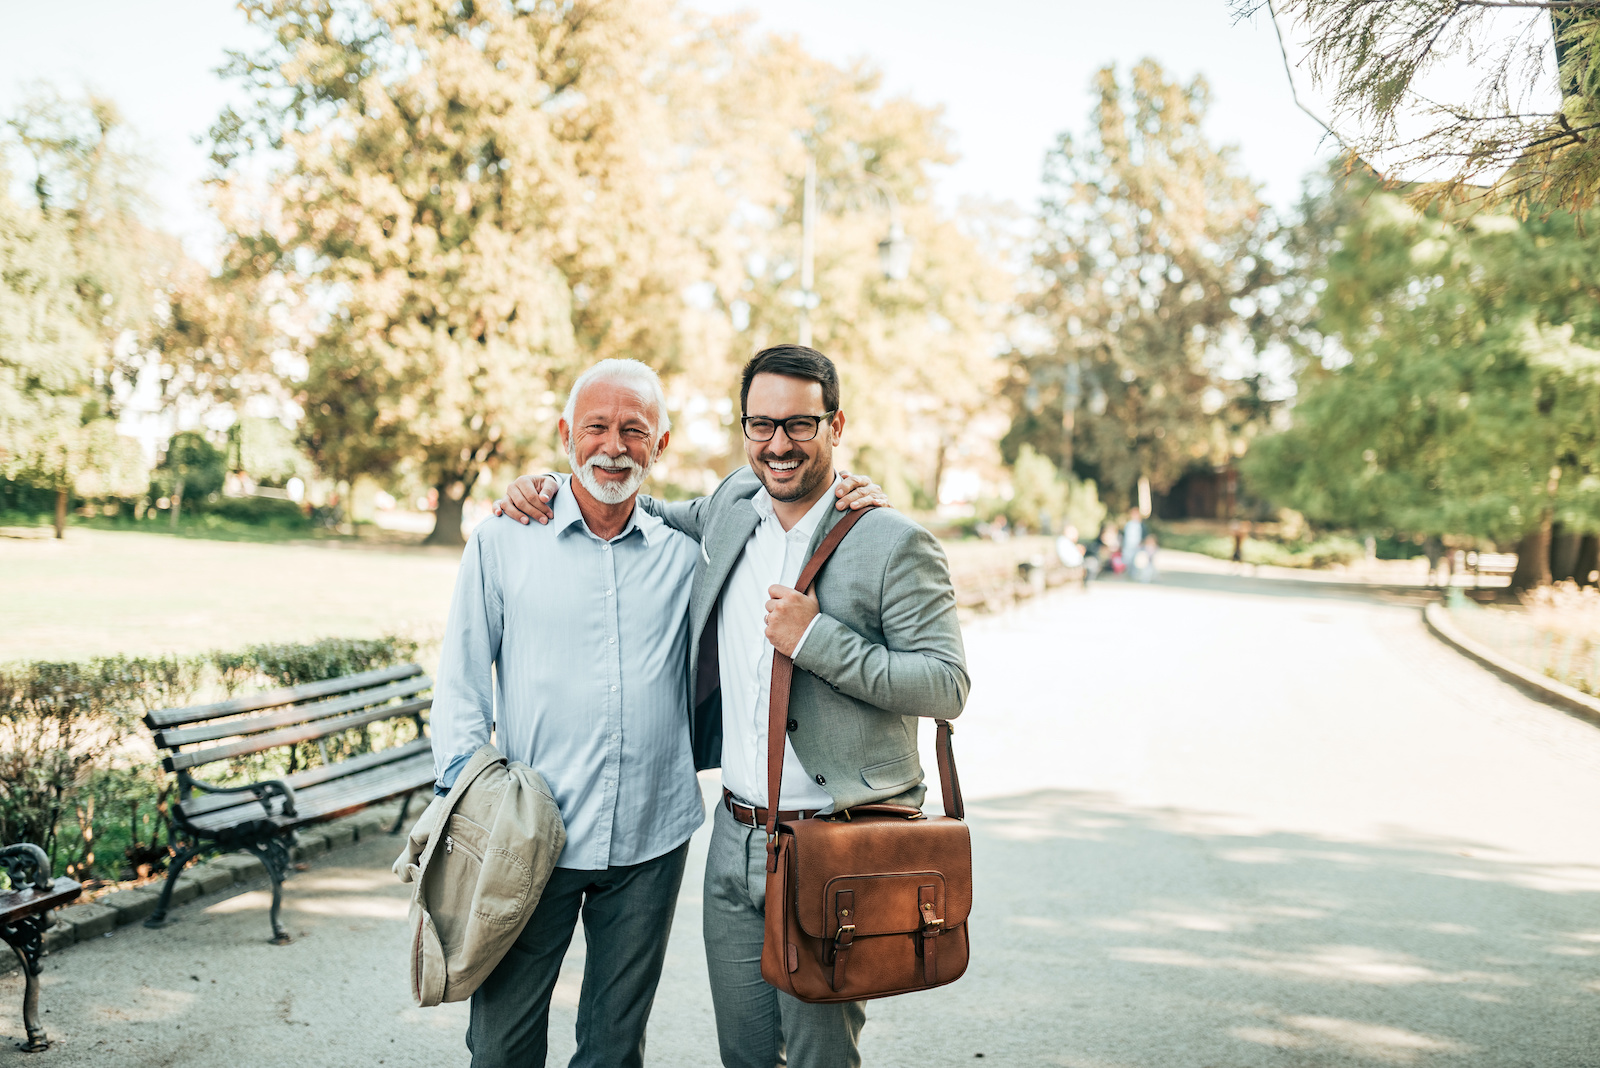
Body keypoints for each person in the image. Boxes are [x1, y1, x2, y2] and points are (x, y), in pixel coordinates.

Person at [499, 344, 969, 1068]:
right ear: (744, 428)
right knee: (745, 1057)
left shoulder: (889, 541)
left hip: (834, 843)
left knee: (819, 1057)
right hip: (734, 835)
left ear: (836, 425)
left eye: (800, 425)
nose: (779, 444)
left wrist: (815, 638)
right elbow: (629, 496)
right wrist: (544, 489)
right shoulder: (730, 508)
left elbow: (946, 685)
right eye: (761, 424)